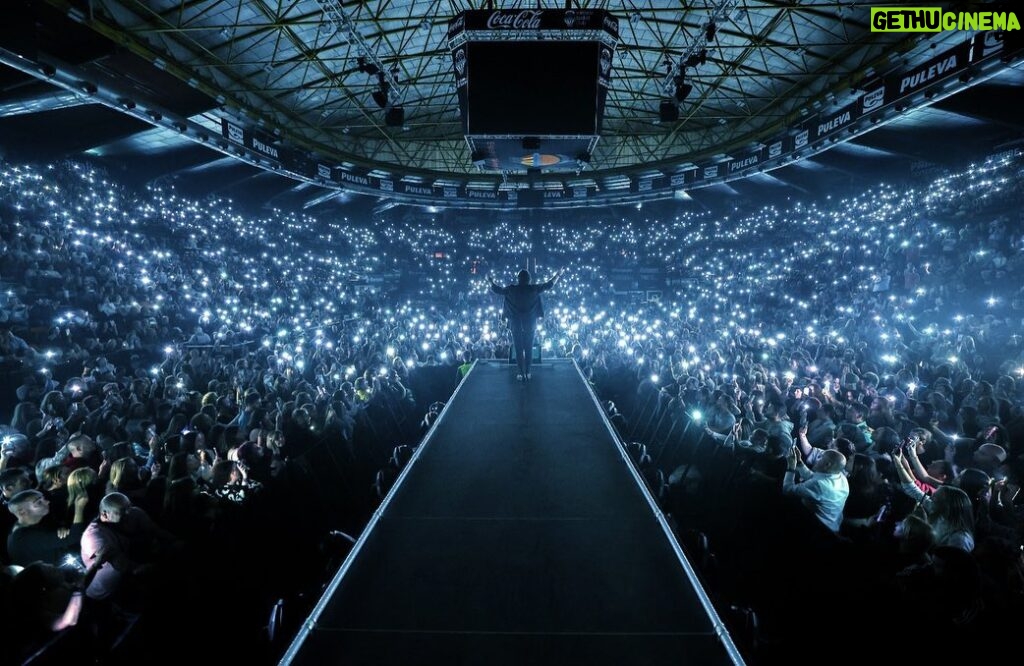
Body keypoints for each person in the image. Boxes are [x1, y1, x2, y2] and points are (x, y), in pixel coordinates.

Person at [488, 268, 563, 381]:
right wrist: (558, 275)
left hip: (515, 324)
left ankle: (520, 373)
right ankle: (528, 372)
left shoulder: (511, 289)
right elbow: (549, 285)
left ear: (518, 279)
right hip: (530, 324)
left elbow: (497, 289)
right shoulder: (534, 289)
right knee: (528, 349)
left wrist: (490, 280)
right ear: (529, 279)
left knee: (518, 349)